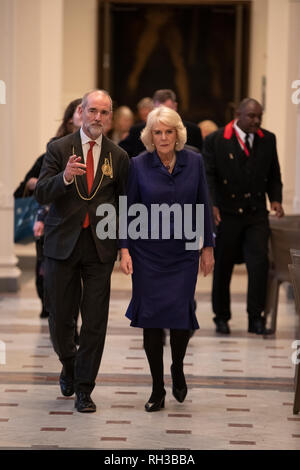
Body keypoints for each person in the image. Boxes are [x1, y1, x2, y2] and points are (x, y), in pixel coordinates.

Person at [35, 89, 129, 413]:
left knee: (94, 321)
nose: (97, 118)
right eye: (93, 111)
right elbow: (41, 194)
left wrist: (125, 247)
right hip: (62, 245)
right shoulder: (59, 149)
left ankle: (85, 389)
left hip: (99, 248)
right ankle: (69, 364)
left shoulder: (118, 156)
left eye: (104, 113)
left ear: (110, 118)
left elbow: (124, 204)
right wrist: (63, 178)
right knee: (61, 318)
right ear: (81, 111)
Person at [120, 106, 214, 412]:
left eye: (168, 131)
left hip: (184, 252)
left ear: (178, 134)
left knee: (180, 316)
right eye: (157, 132)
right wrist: (124, 249)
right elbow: (128, 209)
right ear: (149, 135)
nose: (163, 137)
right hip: (147, 252)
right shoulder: (138, 164)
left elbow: (203, 203)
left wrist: (208, 247)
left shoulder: (195, 161)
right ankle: (157, 388)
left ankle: (177, 366)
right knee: (150, 319)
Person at [203, 98, 284, 335]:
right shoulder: (216, 140)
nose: (256, 121)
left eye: (259, 116)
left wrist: (276, 199)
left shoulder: (267, 139)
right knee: (223, 265)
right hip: (226, 213)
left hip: (256, 212)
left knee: (259, 264)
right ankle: (221, 317)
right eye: (251, 116)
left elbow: (274, 173)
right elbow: (209, 176)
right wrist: (212, 205)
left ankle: (255, 317)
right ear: (238, 114)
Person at [14, 98, 82, 318]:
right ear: (70, 117)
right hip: (51, 216)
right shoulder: (55, 147)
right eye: (80, 111)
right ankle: (49, 306)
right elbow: (31, 184)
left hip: (79, 220)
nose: (86, 115)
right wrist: (44, 183)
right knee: (47, 267)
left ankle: (66, 316)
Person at [119, 89, 203, 157]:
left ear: (175, 106)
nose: (164, 114)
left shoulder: (193, 130)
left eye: (168, 109)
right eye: (159, 110)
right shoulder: (138, 131)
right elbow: (119, 154)